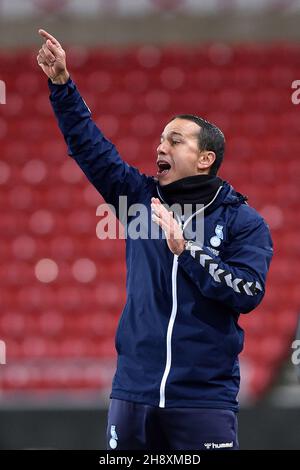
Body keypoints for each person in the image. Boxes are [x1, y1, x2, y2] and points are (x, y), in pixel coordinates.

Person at [37, 29, 273, 451]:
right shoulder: (139, 200)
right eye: (161, 138)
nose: (160, 146)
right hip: (132, 395)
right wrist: (61, 86)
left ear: (205, 160)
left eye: (175, 140)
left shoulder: (243, 221)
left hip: (203, 401)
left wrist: (188, 250)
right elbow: (91, 149)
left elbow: (249, 291)